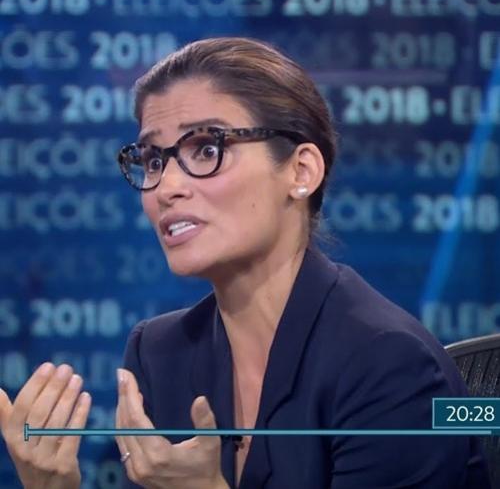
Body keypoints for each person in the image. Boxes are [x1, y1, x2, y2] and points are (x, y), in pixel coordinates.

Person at [0, 37, 491, 489]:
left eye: (206, 149)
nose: (167, 187)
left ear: (301, 171)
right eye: (153, 161)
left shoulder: (389, 364)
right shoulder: (160, 354)